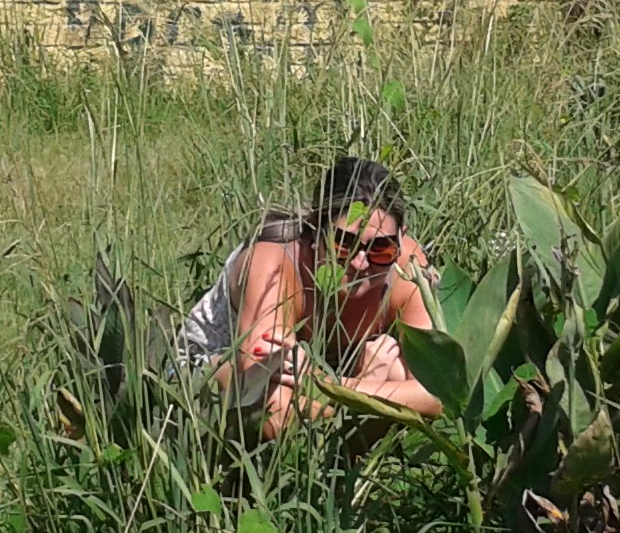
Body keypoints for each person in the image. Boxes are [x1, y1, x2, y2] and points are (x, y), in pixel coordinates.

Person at [175, 155, 442, 433]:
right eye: (343, 243)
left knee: (398, 370)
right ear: (315, 231)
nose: (359, 262)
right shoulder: (273, 267)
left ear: (401, 238)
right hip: (223, 367)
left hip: (326, 376)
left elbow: (437, 393)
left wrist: (342, 386)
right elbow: (267, 399)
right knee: (274, 404)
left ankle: (353, 449)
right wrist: (374, 390)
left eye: (380, 248)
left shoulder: (408, 268)